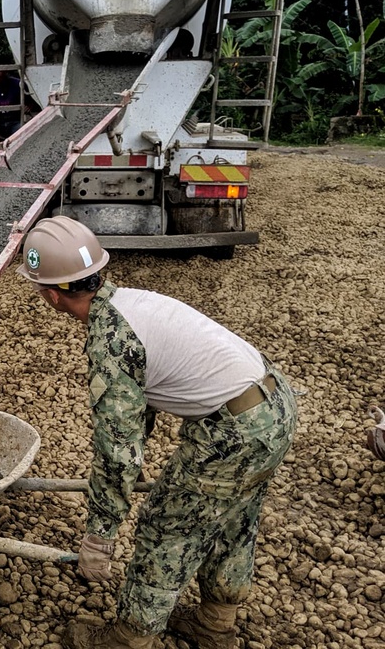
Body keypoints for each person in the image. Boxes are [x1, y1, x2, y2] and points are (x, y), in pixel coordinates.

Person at [16, 217, 298, 649]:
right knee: (232, 517)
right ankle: (214, 623)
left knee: (168, 527)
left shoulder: (111, 338)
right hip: (274, 405)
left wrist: (100, 534)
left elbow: (117, 451)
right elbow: (139, 411)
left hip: (234, 433)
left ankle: (129, 638)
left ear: (52, 294)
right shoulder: (132, 302)